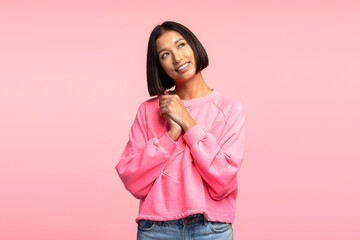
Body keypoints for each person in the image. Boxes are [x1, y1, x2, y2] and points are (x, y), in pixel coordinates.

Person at [115, 21, 246, 240]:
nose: (177, 58)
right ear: (159, 65)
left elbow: (223, 181)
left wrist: (188, 122)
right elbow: (133, 180)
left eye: (181, 45)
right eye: (165, 54)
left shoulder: (229, 109)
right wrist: (171, 134)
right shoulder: (148, 111)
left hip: (211, 229)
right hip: (156, 230)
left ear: (194, 46)